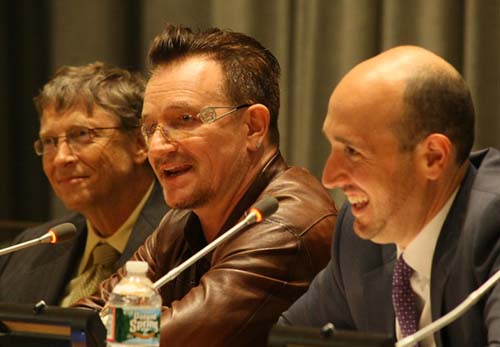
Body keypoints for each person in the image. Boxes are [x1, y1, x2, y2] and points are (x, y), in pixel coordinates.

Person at [76, 25, 336, 346]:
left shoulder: (285, 228)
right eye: (150, 128)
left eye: (184, 120)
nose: (157, 147)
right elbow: (85, 317)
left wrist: (92, 330)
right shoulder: (185, 217)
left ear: (253, 127)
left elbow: (152, 341)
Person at [279, 45, 500, 346]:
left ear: (433, 157)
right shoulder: (358, 238)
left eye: (353, 152)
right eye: (332, 145)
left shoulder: (492, 226)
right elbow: (288, 340)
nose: (329, 177)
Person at [0, 62, 167, 306]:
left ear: (140, 142)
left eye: (81, 135)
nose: (61, 158)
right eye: (49, 142)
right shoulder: (28, 250)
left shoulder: (184, 239)